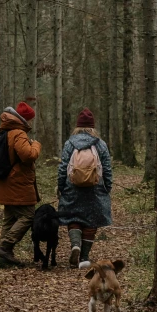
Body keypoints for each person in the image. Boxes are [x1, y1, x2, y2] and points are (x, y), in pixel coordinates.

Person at [57, 108, 112, 269]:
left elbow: (63, 168)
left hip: (72, 187)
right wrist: (107, 187)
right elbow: (107, 168)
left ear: (78, 126)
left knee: (73, 217)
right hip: (95, 188)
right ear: (92, 127)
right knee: (91, 220)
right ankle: (84, 257)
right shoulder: (100, 144)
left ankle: (75, 244)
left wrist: (61, 187)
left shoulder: (70, 143)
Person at [0, 102, 41, 266]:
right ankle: (5, 246)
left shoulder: (6, 132)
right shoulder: (18, 134)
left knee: (9, 219)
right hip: (18, 183)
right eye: (31, 120)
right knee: (28, 215)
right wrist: (35, 145)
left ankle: (3, 257)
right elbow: (28, 156)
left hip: (7, 182)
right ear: (26, 119)